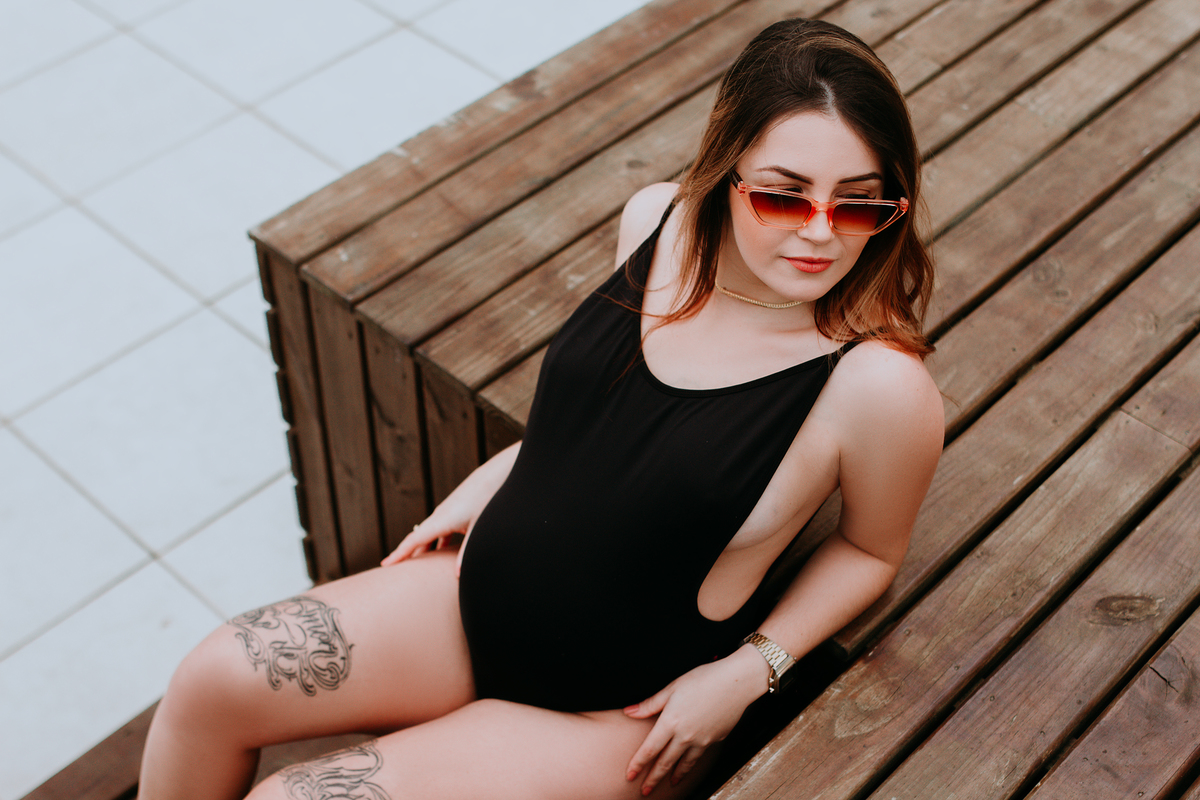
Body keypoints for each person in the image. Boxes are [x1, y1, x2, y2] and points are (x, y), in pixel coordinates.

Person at [138, 17, 943, 800]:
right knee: (207, 683)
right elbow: (612, 420)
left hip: (614, 710)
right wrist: (502, 472)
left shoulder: (874, 384)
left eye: (859, 205)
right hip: (477, 601)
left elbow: (869, 551)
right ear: (725, 172)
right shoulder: (658, 224)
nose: (821, 234)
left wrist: (749, 670)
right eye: (784, 196)